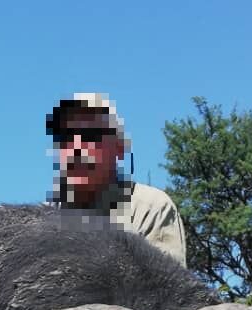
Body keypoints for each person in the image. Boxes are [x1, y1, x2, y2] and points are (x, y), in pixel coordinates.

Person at [47, 93, 187, 265]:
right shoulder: (43, 218)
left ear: (119, 148)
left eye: (89, 135)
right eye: (66, 138)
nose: (76, 148)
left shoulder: (151, 208)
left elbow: (168, 288)